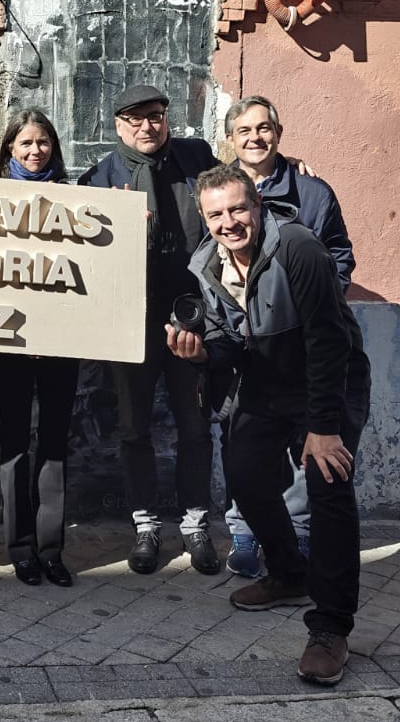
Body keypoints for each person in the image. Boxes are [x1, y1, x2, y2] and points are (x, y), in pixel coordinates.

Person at [168, 164, 370, 686]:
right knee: (246, 476)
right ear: (204, 218)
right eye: (216, 214)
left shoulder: (298, 247)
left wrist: (323, 427)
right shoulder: (207, 265)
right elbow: (227, 345)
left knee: (329, 488)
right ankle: (287, 573)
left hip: (327, 380)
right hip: (265, 383)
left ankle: (330, 627)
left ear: (257, 206)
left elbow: (327, 338)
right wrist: (196, 356)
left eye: (237, 209)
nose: (228, 222)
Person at [79, 83, 220, 576]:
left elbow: (241, 189)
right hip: (131, 322)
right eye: (135, 118)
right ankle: (145, 526)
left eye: (156, 116)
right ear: (118, 124)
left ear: (167, 119)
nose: (147, 126)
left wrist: (293, 166)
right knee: (135, 428)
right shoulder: (100, 176)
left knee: (195, 425)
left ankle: (197, 524)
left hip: (191, 317)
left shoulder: (197, 157)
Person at [219, 94, 357, 578]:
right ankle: (244, 529)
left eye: (264, 129)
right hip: (246, 343)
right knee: (240, 439)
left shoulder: (313, 193)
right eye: (244, 132)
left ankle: (297, 532)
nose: (255, 139)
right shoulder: (221, 191)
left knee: (308, 443)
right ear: (230, 140)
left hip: (304, 341)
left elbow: (339, 252)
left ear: (279, 133)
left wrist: (322, 296)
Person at [0, 108, 79, 587]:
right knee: (16, 442)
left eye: (43, 142)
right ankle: (20, 548)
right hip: (7, 342)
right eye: (24, 143)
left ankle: (51, 548)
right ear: (9, 150)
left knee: (56, 443)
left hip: (62, 342)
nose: (35, 151)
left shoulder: (75, 199)